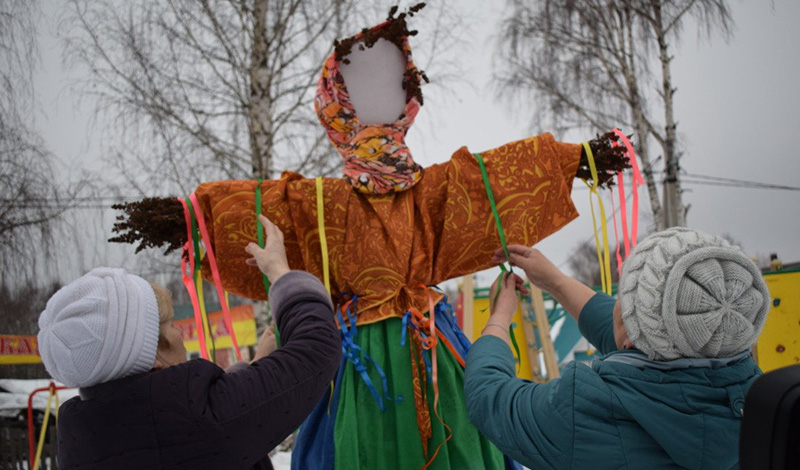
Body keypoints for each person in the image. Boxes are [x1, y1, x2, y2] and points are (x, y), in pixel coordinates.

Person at [37, 215, 341, 470]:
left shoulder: (80, 440)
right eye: (170, 325)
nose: (181, 332)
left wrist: (255, 368)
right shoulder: (198, 418)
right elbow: (316, 347)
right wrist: (280, 271)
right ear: (151, 352)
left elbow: (188, 433)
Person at [464, 227, 770, 470]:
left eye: (622, 296)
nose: (615, 304)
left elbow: (489, 395)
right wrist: (554, 280)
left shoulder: (586, 415)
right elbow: (644, 338)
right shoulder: (753, 396)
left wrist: (500, 316)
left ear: (631, 331)